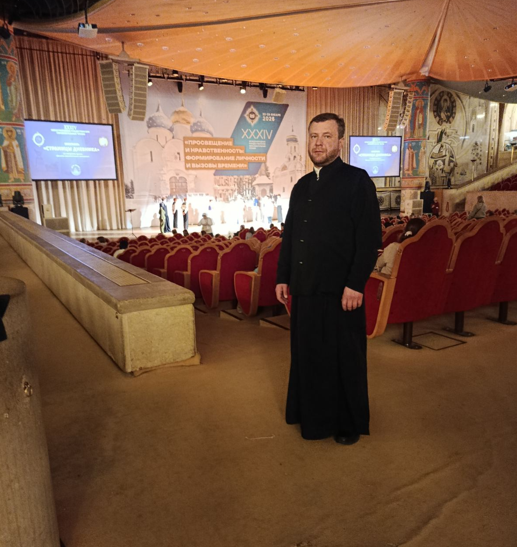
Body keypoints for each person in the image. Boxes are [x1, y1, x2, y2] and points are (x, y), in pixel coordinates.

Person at [275, 112, 382, 446]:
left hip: (341, 292)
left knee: (344, 359)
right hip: (305, 289)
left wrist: (356, 284)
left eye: (326, 136)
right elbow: (291, 236)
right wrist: (283, 276)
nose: (318, 143)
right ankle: (313, 417)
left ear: (340, 142)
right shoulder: (301, 186)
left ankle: (347, 423)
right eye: (313, 136)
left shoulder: (357, 181)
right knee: (309, 356)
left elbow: (369, 240)